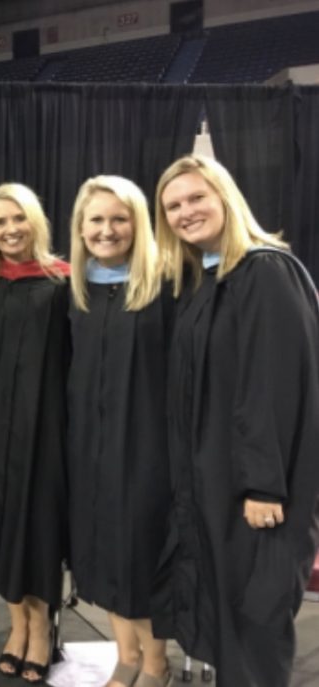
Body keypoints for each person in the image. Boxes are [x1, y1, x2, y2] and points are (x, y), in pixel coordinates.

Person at [152, 154, 319, 687]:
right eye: (173, 205)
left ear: (226, 196)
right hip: (214, 480)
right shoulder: (206, 281)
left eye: (197, 197)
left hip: (258, 493)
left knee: (255, 617)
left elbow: (274, 389)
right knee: (228, 615)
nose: (185, 212)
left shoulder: (267, 272)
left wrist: (263, 486)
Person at [67, 175, 172, 687]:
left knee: (140, 556)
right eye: (96, 220)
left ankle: (155, 663)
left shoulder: (168, 283)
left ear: (138, 222)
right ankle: (124, 655)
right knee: (102, 551)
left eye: (119, 218)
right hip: (89, 444)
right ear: (81, 228)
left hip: (146, 446)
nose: (107, 230)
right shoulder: (76, 287)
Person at [0, 183, 70, 683]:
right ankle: (17, 623)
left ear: (36, 221)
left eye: (18, 219)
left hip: (42, 430)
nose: (9, 230)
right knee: (3, 523)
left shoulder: (63, 283)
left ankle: (42, 627)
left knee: (38, 525)